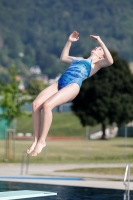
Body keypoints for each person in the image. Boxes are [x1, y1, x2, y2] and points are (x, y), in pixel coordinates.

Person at [27, 31, 113, 156]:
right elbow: (63, 58)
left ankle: (42, 141)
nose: (96, 48)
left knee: (47, 106)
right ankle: (35, 140)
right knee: (35, 104)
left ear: (101, 56)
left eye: (99, 49)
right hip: (60, 82)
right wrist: (69, 42)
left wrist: (101, 42)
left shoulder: (96, 64)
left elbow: (110, 61)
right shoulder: (78, 59)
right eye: (97, 47)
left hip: (73, 85)